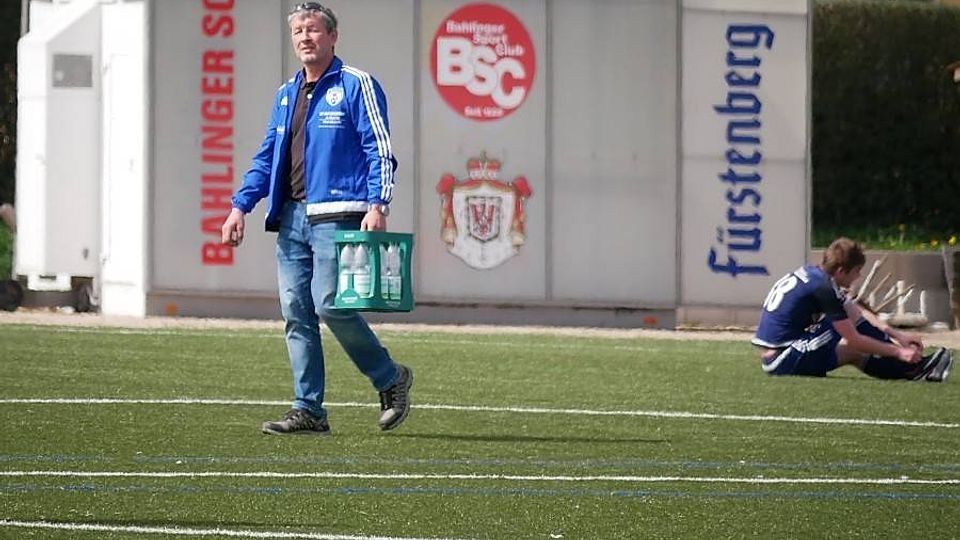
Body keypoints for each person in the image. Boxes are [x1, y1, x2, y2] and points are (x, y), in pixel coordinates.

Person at [221, 2, 412, 435]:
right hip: (290, 218)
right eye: (298, 31)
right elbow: (267, 157)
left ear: (332, 36)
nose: (305, 37)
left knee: (330, 304)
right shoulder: (285, 94)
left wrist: (378, 204)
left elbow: (379, 149)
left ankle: (390, 377)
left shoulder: (356, 84)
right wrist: (240, 206)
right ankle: (309, 409)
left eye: (313, 29)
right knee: (296, 312)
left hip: (337, 215)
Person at [752, 237, 953, 381]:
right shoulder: (823, 288)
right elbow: (855, 336)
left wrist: (897, 335)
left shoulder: (815, 274)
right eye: (857, 271)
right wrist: (899, 352)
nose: (858, 277)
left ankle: (913, 371)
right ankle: (912, 365)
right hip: (782, 357)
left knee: (854, 352)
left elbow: (858, 312)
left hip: (782, 355)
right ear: (841, 270)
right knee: (846, 333)